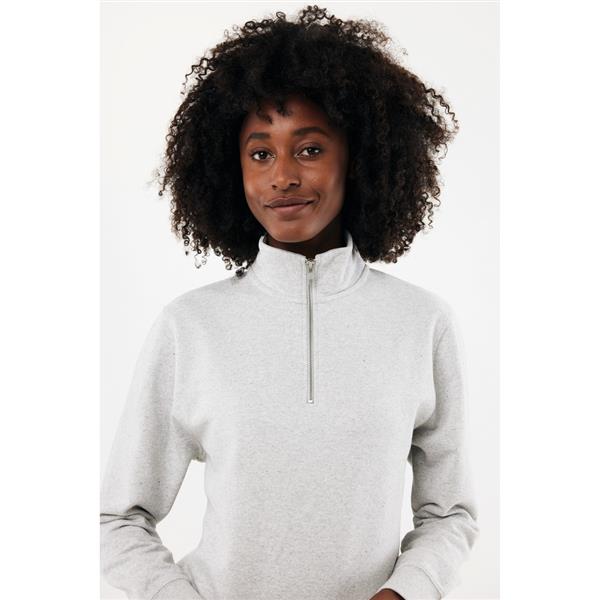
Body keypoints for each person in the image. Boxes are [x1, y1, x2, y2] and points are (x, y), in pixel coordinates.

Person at [100, 5, 479, 600]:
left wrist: (403, 593)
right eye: (260, 154)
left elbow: (450, 512)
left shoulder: (422, 323)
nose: (281, 177)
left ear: (357, 156)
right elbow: (118, 519)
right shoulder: (189, 327)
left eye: (309, 150)